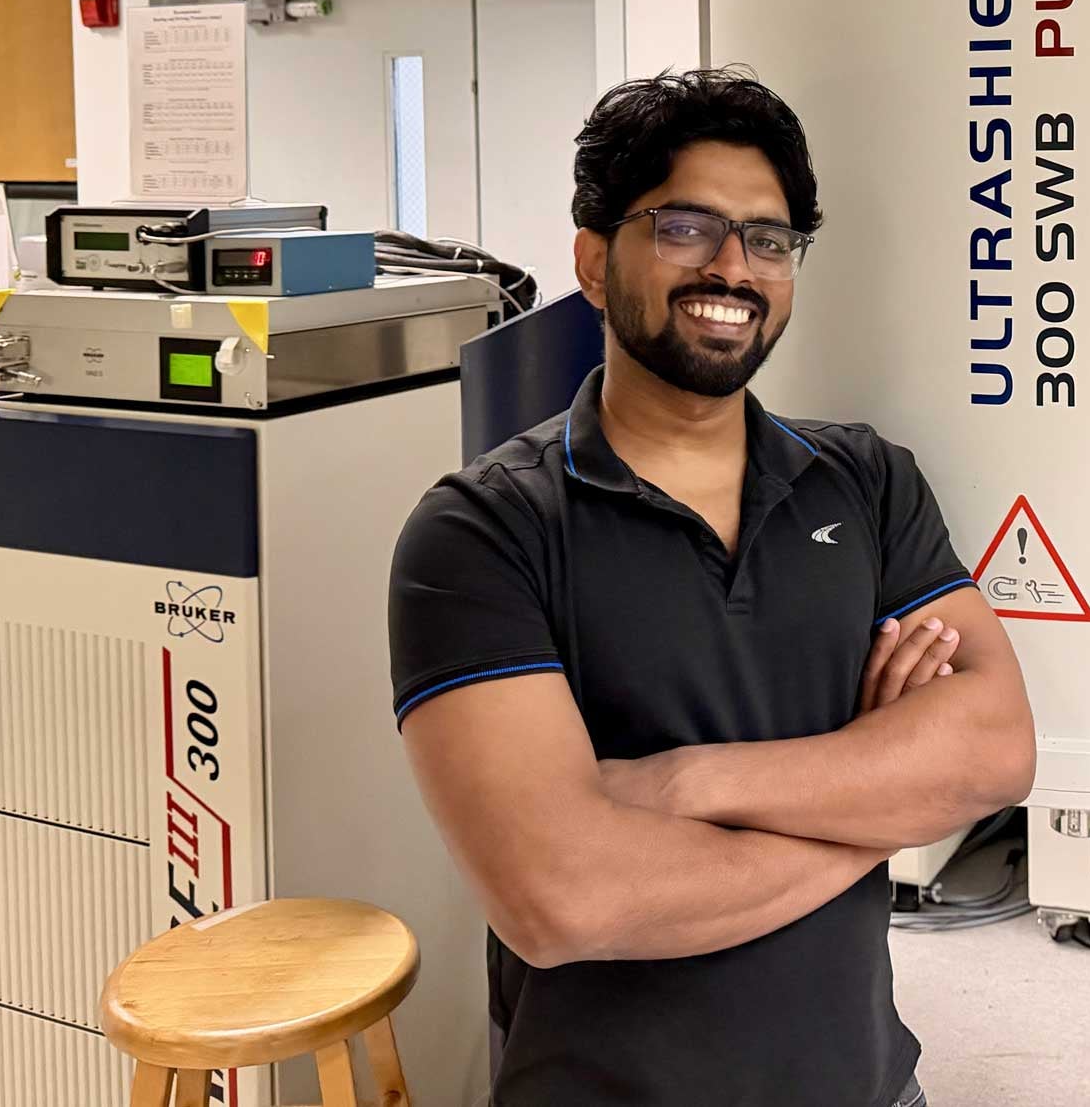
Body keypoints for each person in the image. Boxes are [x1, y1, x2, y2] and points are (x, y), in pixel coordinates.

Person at [390, 69, 1037, 1107]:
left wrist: (682, 783)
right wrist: (873, 800)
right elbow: (560, 896)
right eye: (687, 227)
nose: (734, 267)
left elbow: (997, 751)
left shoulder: (867, 482)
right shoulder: (482, 532)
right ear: (594, 262)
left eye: (770, 240)